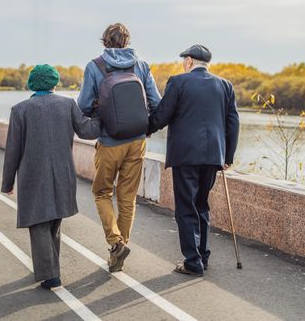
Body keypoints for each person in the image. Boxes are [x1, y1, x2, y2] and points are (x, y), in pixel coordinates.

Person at [1, 64, 100, 289]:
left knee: (38, 224)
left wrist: (7, 183)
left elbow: (12, 151)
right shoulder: (67, 104)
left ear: (32, 84)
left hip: (33, 177)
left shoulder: (20, 110)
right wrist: (100, 113)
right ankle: (50, 268)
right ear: (55, 83)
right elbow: (87, 131)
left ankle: (50, 275)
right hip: (62, 175)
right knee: (53, 222)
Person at [147, 44, 240, 276]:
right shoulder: (225, 85)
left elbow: (162, 116)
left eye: (183, 60)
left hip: (186, 155)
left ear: (189, 61)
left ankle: (192, 262)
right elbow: (233, 123)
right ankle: (202, 256)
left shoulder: (178, 82)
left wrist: (144, 128)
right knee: (201, 205)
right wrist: (227, 157)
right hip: (212, 157)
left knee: (186, 208)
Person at [77, 23, 161, 272]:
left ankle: (115, 243)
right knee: (128, 198)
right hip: (137, 142)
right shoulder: (142, 65)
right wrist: (146, 129)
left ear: (104, 42)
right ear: (127, 41)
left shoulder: (95, 66)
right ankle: (119, 250)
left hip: (110, 141)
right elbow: (156, 102)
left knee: (102, 193)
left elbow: (82, 106)